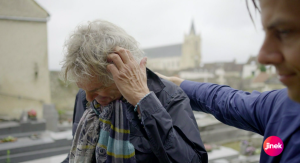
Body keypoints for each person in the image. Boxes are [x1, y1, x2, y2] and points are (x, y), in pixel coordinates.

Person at [156, 0, 300, 162]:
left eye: (285, 32)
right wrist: (174, 84)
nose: (263, 56)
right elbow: (225, 100)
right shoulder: (284, 106)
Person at [61, 20, 207, 163]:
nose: (88, 98)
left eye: (97, 90)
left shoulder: (168, 96)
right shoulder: (86, 96)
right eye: (83, 88)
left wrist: (145, 103)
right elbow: (77, 152)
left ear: (122, 71)